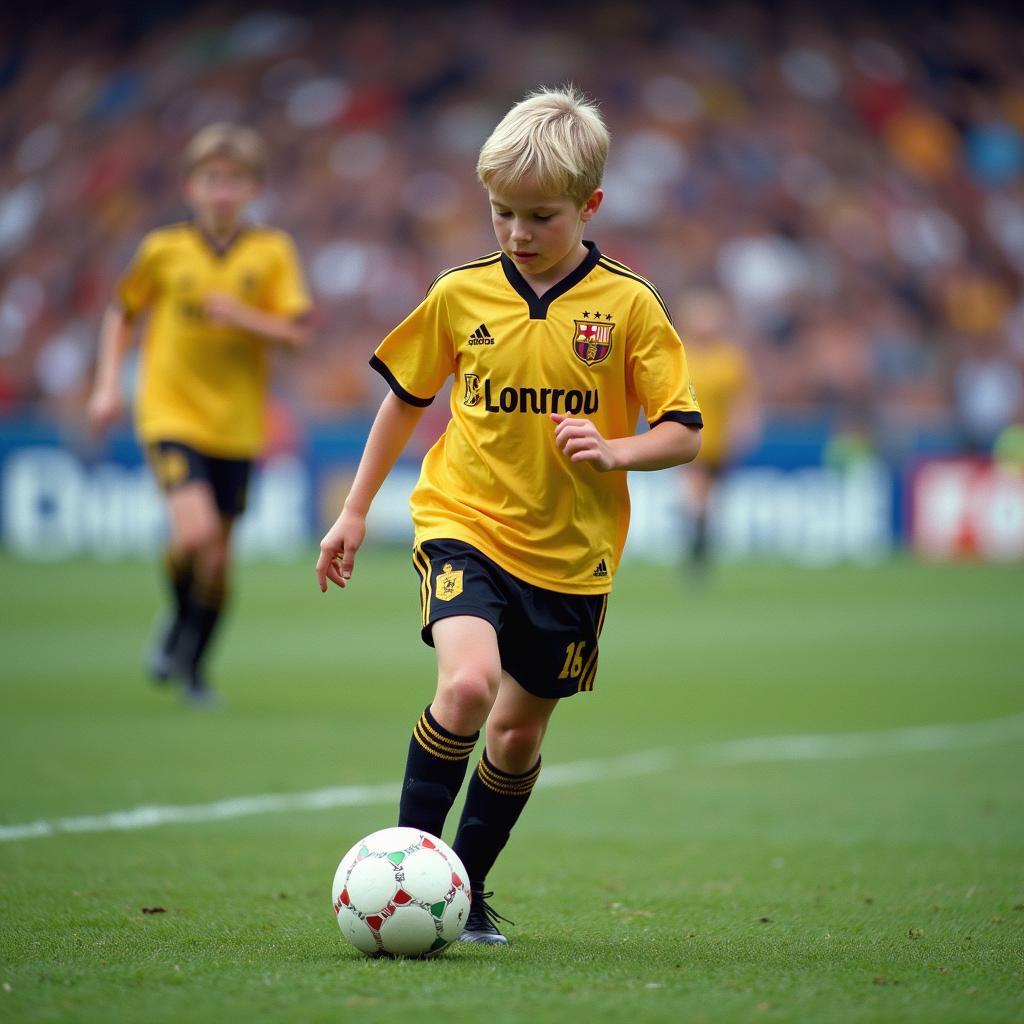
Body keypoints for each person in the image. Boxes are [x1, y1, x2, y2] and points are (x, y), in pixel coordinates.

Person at [316, 87, 702, 945]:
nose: (518, 233)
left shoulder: (630, 306)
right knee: (465, 684)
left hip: (572, 558)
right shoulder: (459, 294)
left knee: (518, 732)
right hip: (465, 520)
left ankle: (467, 887)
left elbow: (682, 432)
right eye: (501, 214)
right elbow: (405, 400)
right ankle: (412, 868)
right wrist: (352, 511)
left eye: (540, 216)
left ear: (591, 207)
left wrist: (617, 450)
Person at [87, 123, 312, 705]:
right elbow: (122, 311)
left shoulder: (272, 252)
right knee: (197, 531)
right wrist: (108, 386)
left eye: (235, 181)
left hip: (237, 424)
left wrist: (245, 317)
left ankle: (191, 662)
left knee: (216, 559)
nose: (223, 192)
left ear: (254, 188)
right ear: (191, 187)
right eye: (212, 179)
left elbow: (297, 335)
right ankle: (178, 633)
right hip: (170, 412)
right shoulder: (164, 251)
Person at [674, 288, 760, 576]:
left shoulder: (730, 358)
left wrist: (745, 427)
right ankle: (696, 555)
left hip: (719, 442)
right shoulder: (680, 353)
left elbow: (743, 400)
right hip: (687, 440)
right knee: (695, 499)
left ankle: (699, 551)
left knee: (709, 504)